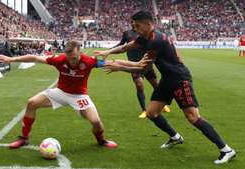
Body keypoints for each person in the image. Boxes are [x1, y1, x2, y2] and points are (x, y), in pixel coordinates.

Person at [94, 11, 236, 164]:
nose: (135, 29)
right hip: (168, 79)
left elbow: (142, 68)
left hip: (180, 79)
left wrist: (119, 66)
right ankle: (175, 137)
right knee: (151, 113)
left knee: (193, 117)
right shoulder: (147, 37)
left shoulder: (156, 40)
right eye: (133, 26)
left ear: (148, 24)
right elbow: (125, 47)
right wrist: (107, 52)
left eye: (137, 25)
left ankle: (226, 150)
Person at [0, 40, 118, 149]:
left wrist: (133, 66)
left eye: (74, 58)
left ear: (80, 52)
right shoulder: (60, 59)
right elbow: (35, 58)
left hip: (79, 96)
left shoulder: (89, 61)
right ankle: (24, 138)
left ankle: (101, 141)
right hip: (60, 92)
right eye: (69, 58)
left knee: (95, 121)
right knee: (32, 103)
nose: (71, 61)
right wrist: (11, 59)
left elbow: (110, 63)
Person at [114, 21, 170, 119]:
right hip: (134, 64)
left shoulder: (143, 33)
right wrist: (110, 50)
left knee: (156, 85)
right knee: (139, 85)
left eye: (135, 22)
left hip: (146, 63)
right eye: (131, 22)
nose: (133, 23)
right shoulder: (127, 33)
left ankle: (162, 105)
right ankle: (144, 110)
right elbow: (121, 44)